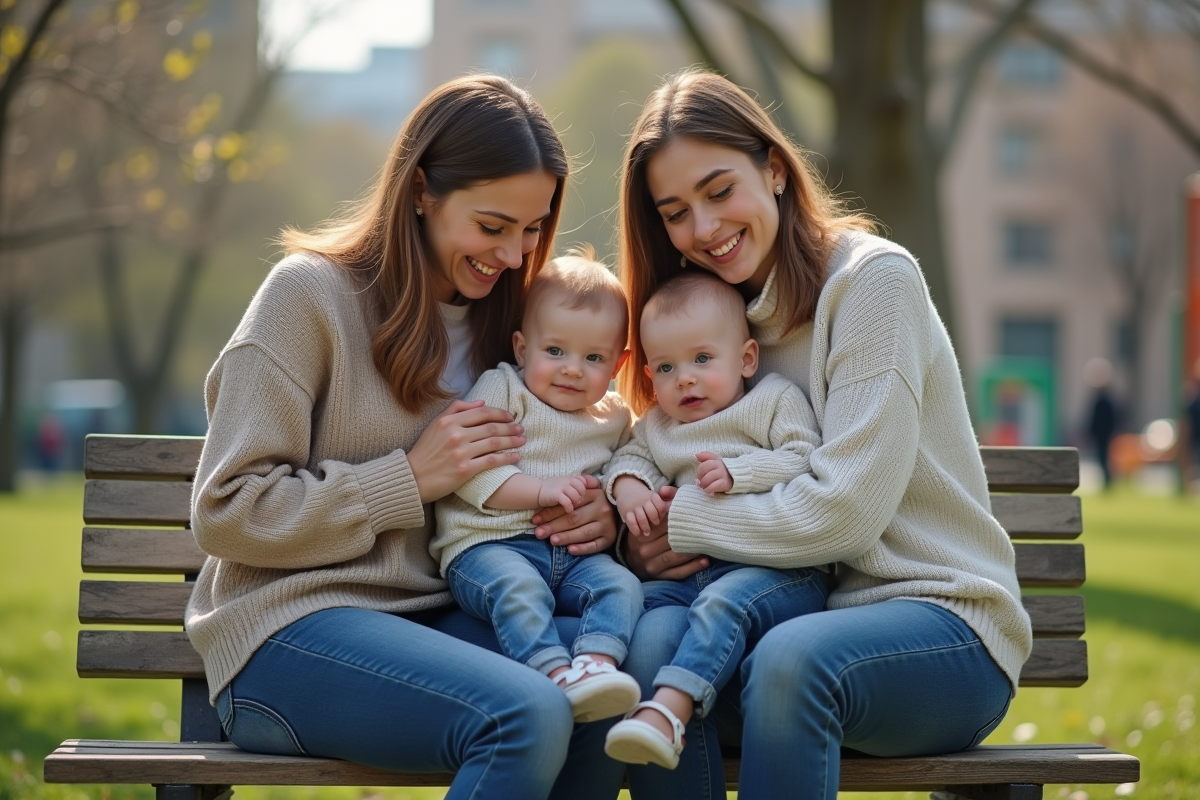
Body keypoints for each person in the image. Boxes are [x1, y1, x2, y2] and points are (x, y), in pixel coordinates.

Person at [184, 75, 622, 800]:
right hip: (285, 630)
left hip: (437, 617)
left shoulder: (512, 330)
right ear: (421, 190)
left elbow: (576, 447)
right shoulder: (309, 298)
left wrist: (599, 509)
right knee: (525, 714)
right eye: (492, 226)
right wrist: (408, 480)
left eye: (532, 228)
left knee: (605, 697)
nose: (515, 254)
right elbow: (227, 510)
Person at [614, 69, 1033, 800]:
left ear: (773, 169)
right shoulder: (704, 325)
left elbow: (845, 512)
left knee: (791, 661)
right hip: (777, 619)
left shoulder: (871, 283)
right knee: (651, 645)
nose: (704, 229)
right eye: (675, 212)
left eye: (719, 191)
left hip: (939, 628)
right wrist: (634, 525)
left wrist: (681, 520)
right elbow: (655, 460)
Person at [601, 271, 828, 769]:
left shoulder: (770, 401)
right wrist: (630, 488)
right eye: (666, 367)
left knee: (724, 603)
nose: (685, 378)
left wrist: (740, 471)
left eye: (703, 359)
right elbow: (628, 460)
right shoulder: (659, 426)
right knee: (647, 625)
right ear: (648, 378)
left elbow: (804, 458)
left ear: (746, 358)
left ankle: (669, 707)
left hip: (777, 575)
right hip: (686, 581)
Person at [431, 251, 643, 723]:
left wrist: (622, 491)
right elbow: (470, 474)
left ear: (618, 364)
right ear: (522, 348)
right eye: (555, 351)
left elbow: (633, 460)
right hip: (488, 547)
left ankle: (595, 665)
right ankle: (551, 672)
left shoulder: (615, 416)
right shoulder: (502, 389)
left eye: (593, 358)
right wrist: (542, 491)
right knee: (518, 589)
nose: (572, 369)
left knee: (622, 586)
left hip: (577, 559)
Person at [1084, 357, 1120, 488]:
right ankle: (1107, 481)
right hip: (1105, 433)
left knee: (1103, 458)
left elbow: (1097, 419)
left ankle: (1108, 481)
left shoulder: (1102, 399)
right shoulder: (1108, 398)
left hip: (1102, 434)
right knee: (1103, 458)